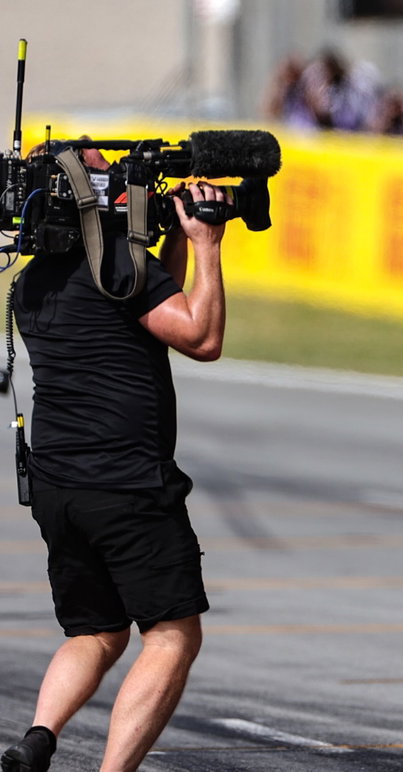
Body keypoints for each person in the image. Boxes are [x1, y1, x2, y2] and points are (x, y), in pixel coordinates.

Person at [3, 143, 230, 772]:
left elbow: (147, 299)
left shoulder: (30, 285)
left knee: (96, 632)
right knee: (173, 634)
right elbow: (200, 336)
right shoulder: (119, 273)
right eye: (107, 180)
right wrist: (207, 244)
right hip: (127, 485)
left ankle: (38, 740)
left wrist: (174, 241)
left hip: (58, 485)